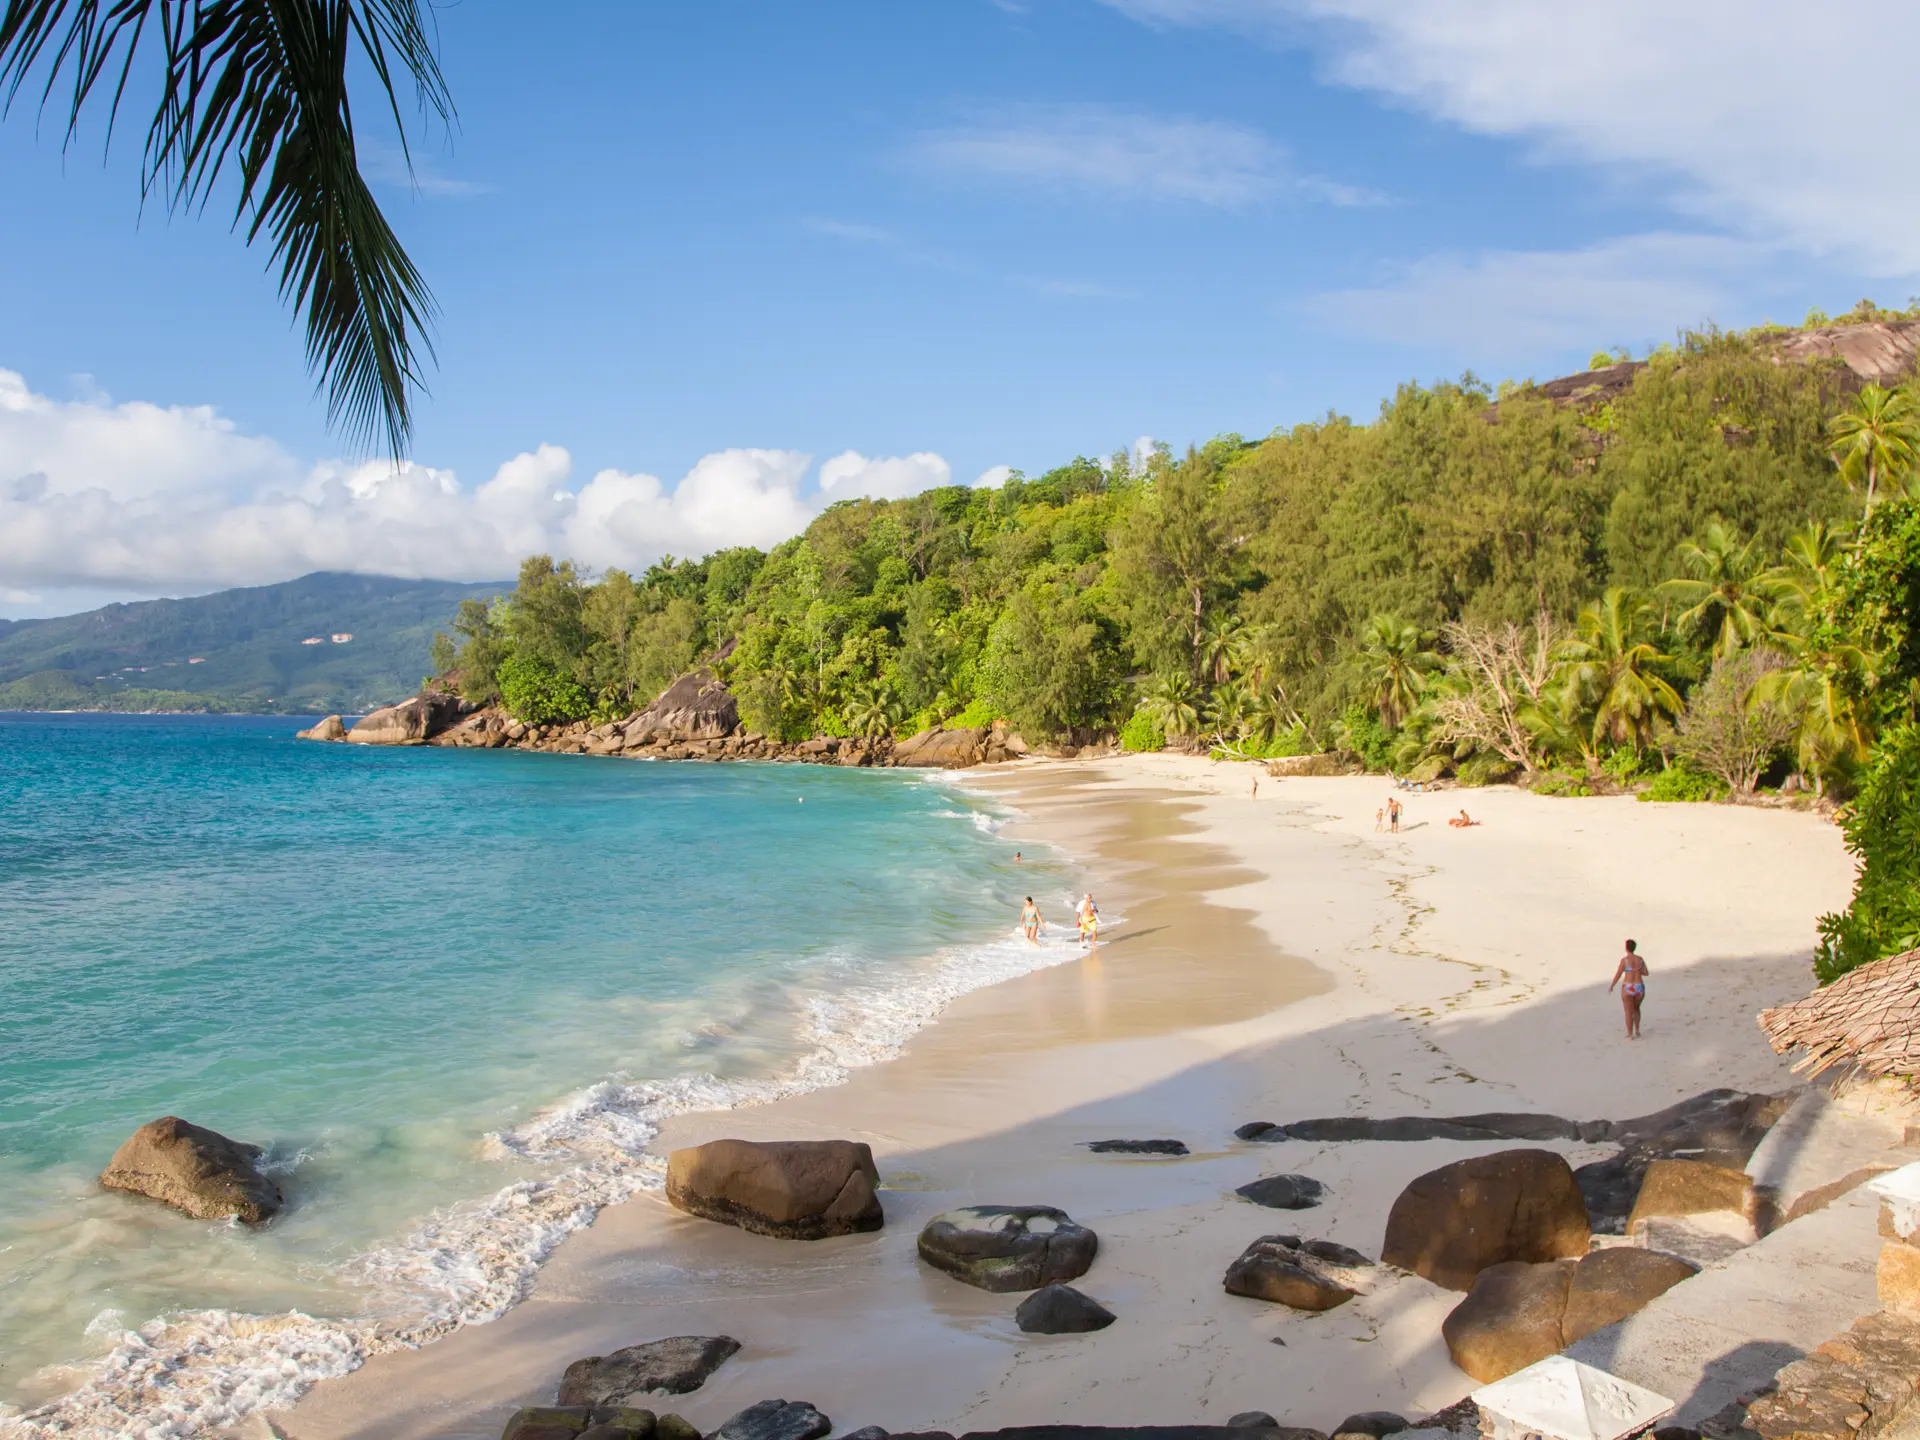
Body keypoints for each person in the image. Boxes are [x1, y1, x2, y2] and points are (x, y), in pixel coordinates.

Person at [1609, 939, 1649, 1039]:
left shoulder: (1624, 961)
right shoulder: (1640, 959)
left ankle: (1630, 1034)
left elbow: (1618, 974)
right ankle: (1637, 1030)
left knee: (1628, 1011)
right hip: (1639, 986)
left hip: (1628, 986)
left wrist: (1612, 985)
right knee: (1636, 1009)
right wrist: (1637, 971)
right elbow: (1646, 973)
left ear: (1626, 948)